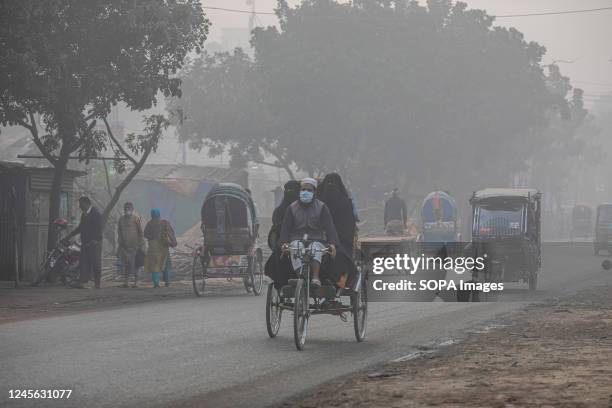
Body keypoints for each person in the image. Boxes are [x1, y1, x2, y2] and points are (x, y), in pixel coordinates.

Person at [279, 178, 339, 287]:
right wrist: (284, 242)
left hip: (317, 239)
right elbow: (285, 228)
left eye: (309, 190)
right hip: (297, 238)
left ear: (314, 192)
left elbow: (330, 227)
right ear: (300, 191)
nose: (305, 192)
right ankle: (300, 278)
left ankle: (315, 278)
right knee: (295, 247)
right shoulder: (292, 208)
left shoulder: (322, 207)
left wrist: (332, 244)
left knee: (315, 247)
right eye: (303, 189)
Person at [65, 196, 103, 289]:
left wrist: (96, 239)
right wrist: (70, 235)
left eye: (81, 204)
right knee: (84, 262)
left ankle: (97, 283)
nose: (79, 206)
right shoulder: (84, 215)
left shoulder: (96, 214)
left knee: (95, 263)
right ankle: (82, 281)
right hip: (85, 242)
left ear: (86, 203)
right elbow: (80, 228)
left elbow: (100, 228)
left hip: (94, 243)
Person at [144, 208, 177, 288]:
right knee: (166, 264)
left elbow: (145, 234)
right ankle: (167, 282)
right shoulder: (164, 222)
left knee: (155, 265)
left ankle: (156, 283)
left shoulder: (149, 224)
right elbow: (171, 233)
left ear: (152, 215)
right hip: (163, 247)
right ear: (159, 214)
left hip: (153, 248)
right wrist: (173, 242)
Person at [117, 202, 144, 288]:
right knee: (127, 264)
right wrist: (120, 243)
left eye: (129, 208)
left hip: (135, 246)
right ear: (124, 209)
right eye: (126, 208)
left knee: (136, 265)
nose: (127, 209)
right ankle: (126, 282)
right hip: (125, 247)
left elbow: (140, 232)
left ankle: (136, 282)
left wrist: (140, 244)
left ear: (132, 209)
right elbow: (119, 233)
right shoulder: (121, 220)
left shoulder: (136, 219)